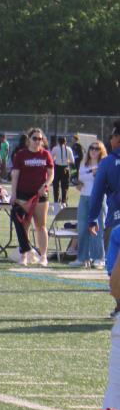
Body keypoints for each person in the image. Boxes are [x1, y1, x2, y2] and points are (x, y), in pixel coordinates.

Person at [85, 122, 120, 308]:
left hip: (116, 219)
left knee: (114, 265)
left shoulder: (107, 163)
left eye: (112, 136)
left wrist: (92, 218)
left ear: (117, 138)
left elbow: (97, 193)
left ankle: (119, 305)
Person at [10, 128, 54, 266]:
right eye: (35, 138)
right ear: (29, 139)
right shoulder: (21, 155)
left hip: (40, 195)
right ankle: (24, 255)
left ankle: (43, 256)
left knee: (41, 226)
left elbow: (51, 174)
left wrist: (45, 186)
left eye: (40, 139)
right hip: (23, 195)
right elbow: (15, 175)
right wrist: (13, 194)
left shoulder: (46, 154)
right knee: (24, 225)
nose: (37, 141)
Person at [76, 140, 107, 269]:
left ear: (101, 151)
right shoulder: (84, 163)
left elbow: (107, 181)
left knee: (97, 229)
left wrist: (96, 175)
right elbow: (80, 178)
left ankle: (99, 258)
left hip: (98, 198)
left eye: (97, 149)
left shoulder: (104, 164)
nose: (94, 151)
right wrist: (79, 183)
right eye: (91, 148)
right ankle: (82, 258)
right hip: (84, 197)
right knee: (82, 228)